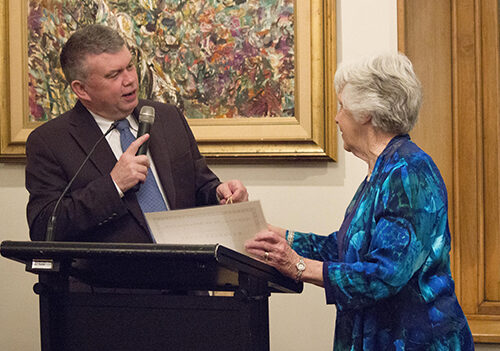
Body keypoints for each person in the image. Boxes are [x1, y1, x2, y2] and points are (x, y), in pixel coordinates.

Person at [245, 53, 474, 350]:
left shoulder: (408, 172)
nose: (338, 117)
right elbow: (344, 248)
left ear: (366, 112)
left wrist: (299, 266)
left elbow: (386, 273)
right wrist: (279, 237)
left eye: (342, 106)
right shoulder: (382, 170)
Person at [26, 24, 248, 243]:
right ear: (81, 89)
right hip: (108, 277)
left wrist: (219, 193)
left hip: (185, 273)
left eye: (130, 66)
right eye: (114, 75)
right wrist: (113, 186)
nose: (130, 79)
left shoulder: (168, 118)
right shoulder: (50, 141)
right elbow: (44, 227)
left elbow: (200, 187)